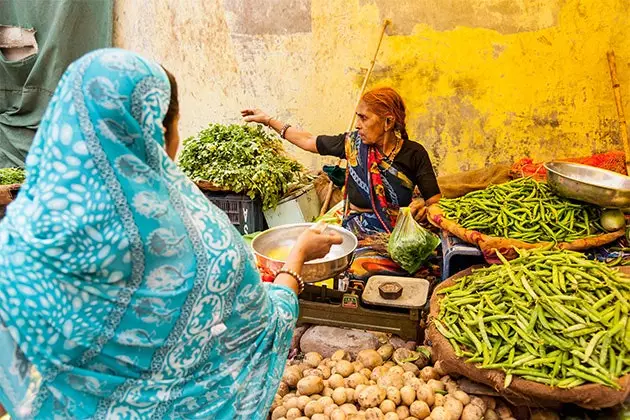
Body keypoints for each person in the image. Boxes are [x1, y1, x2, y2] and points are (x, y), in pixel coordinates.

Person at [0, 49, 342, 419]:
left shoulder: (18, 245)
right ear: (162, 133)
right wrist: (297, 256)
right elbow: (259, 329)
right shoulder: (204, 246)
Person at [242, 87, 441, 237]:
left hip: (399, 232)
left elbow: (435, 202)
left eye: (364, 118)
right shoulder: (352, 144)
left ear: (388, 122)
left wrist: (421, 206)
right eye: (358, 118)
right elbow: (308, 141)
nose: (358, 125)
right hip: (356, 228)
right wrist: (268, 120)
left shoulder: (415, 154)